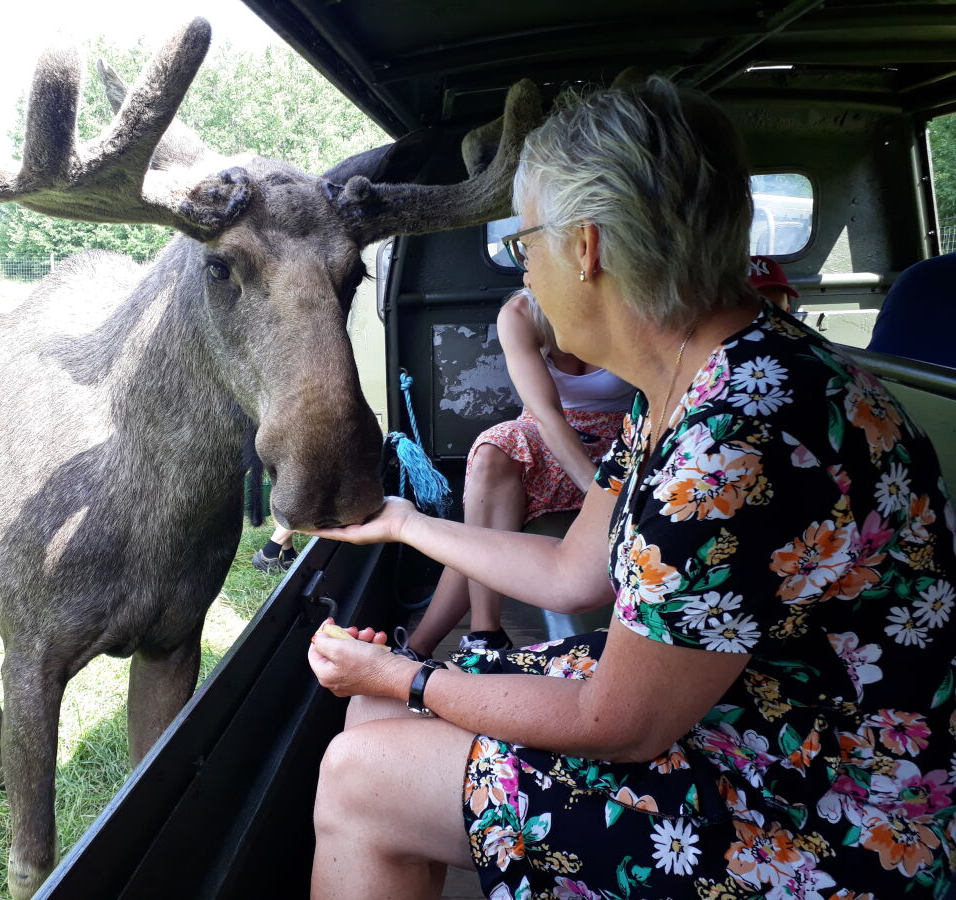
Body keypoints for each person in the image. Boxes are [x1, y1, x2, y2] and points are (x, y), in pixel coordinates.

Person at [304, 76, 956, 900]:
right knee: (375, 723)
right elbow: (574, 575)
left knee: (363, 772)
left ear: (586, 247)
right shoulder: (692, 381)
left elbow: (619, 724)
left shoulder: (737, 437)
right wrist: (403, 524)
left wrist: (407, 674)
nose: (525, 273)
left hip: (837, 806)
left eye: (523, 244)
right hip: (756, 712)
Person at [401, 288, 632, 659]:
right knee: (494, 449)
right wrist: (596, 490)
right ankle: (485, 632)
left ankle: (417, 648)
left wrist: (609, 491)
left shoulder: (632, 302)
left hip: (621, 434)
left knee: (479, 528)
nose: (527, 272)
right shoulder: (521, 314)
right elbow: (545, 413)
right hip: (548, 433)